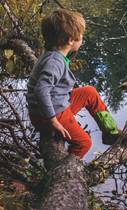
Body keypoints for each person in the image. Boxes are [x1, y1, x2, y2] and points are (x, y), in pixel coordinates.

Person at [26, 9, 120, 158]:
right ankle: (67, 169)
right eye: (80, 36)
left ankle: (111, 132)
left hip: (55, 105)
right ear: (70, 40)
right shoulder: (55, 61)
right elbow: (41, 90)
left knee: (89, 92)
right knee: (84, 143)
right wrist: (53, 121)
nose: (82, 38)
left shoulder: (54, 55)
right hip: (50, 115)